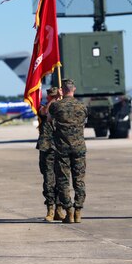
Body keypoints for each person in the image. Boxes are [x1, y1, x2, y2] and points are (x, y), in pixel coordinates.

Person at [49, 79, 88, 223]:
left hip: (62, 148)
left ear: (62, 90)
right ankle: (78, 211)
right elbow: (84, 122)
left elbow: (48, 119)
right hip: (79, 148)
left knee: (63, 181)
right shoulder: (82, 106)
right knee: (79, 180)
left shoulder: (56, 106)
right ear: (74, 89)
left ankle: (69, 212)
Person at [36, 87, 64, 222]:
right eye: (52, 97)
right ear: (48, 97)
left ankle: (59, 208)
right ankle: (50, 209)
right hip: (47, 148)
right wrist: (54, 100)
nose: (56, 98)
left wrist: (61, 101)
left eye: (56, 96)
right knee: (49, 180)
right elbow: (45, 112)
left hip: (60, 148)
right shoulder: (43, 107)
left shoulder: (62, 108)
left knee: (61, 180)